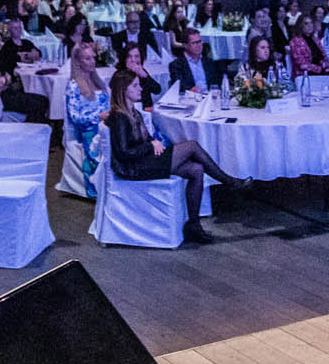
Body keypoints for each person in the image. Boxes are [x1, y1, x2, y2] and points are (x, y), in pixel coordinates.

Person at [105, 70, 248, 244]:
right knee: (192, 146)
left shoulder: (133, 113)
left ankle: (194, 225)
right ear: (123, 89)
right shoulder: (119, 117)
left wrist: (153, 142)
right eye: (135, 85)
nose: (140, 88)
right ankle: (230, 182)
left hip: (143, 159)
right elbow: (123, 153)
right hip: (133, 167)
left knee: (196, 169)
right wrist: (150, 145)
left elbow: (144, 139)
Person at [58, 41, 111, 198]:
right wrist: (97, 117)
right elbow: (75, 116)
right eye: (87, 58)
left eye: (93, 57)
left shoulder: (98, 81)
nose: (92, 61)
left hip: (106, 124)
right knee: (97, 143)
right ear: (78, 61)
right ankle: (97, 189)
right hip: (88, 130)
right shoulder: (74, 86)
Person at [169, 28, 229, 94]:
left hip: (210, 97)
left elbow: (217, 84)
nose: (198, 45)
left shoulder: (209, 62)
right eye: (194, 43)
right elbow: (179, 88)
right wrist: (190, 91)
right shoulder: (176, 65)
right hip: (190, 98)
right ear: (185, 45)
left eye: (199, 41)